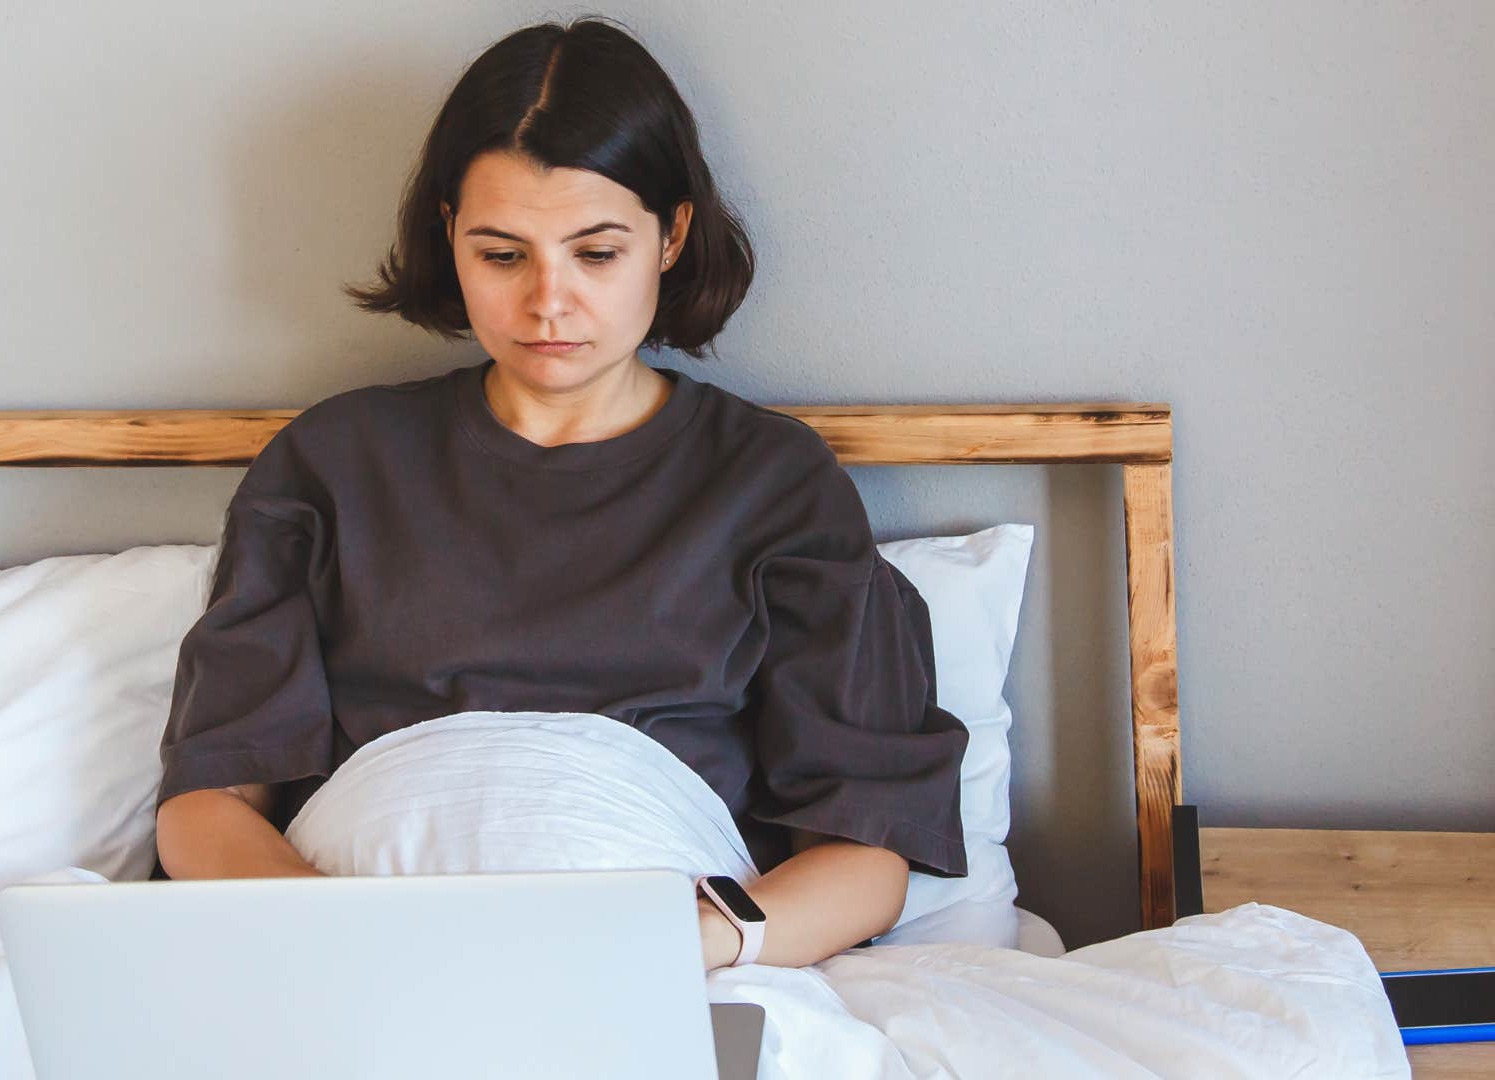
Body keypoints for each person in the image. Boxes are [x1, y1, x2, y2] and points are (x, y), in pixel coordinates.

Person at [154, 15, 968, 973]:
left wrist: (672, 949)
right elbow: (207, 803)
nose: (548, 303)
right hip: (350, 953)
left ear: (671, 236)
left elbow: (866, 851)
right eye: (502, 255)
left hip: (663, 954)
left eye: (597, 252)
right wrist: (353, 946)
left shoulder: (774, 483)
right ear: (448, 234)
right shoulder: (333, 462)